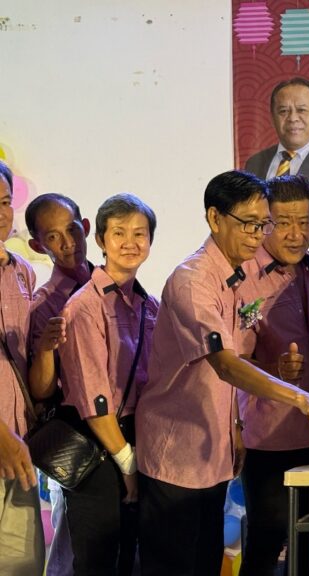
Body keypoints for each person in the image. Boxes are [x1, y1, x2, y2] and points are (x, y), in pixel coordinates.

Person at [136, 170, 309, 576]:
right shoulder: (193, 280)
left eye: (262, 224)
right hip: (177, 451)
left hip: (212, 451)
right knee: (180, 563)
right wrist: (302, 397)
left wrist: (233, 427)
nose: (257, 235)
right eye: (250, 224)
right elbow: (226, 363)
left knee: (207, 562)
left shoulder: (232, 275)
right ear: (215, 218)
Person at [54, 193, 158, 575]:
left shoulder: (150, 305)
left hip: (136, 438)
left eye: (140, 233)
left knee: (130, 556)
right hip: (98, 445)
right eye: (119, 233)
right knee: (98, 560)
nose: (130, 242)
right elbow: (93, 398)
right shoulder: (84, 306)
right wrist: (128, 463)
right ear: (100, 239)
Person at [237, 175, 309, 576]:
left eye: (305, 222)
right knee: (266, 540)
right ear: (264, 223)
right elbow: (230, 364)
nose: (297, 234)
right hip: (269, 437)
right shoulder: (243, 279)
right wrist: (274, 370)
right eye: (284, 223)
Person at [25, 193, 94, 576]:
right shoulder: (43, 307)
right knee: (73, 554)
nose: (68, 243)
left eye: (72, 230)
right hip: (76, 446)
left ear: (86, 227)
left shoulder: (114, 285)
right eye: (53, 236)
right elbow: (41, 391)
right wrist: (46, 349)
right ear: (38, 246)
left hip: (127, 438)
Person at [0, 159, 44, 575]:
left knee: (24, 564)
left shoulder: (23, 272)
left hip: (19, 445)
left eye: (4, 202)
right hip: (5, 441)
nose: (0, 213)